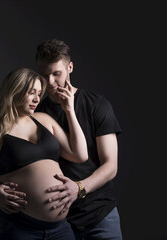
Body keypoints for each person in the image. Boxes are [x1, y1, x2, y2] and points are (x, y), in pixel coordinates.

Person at [0, 67, 88, 239]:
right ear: (14, 91)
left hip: (60, 229)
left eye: (39, 93)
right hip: (18, 228)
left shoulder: (44, 120)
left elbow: (80, 154)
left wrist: (69, 110)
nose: (37, 99)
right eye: (31, 93)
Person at [34, 39, 123, 240]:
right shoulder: (37, 112)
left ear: (70, 68)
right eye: (43, 75)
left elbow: (111, 166)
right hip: (57, 221)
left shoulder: (96, 104)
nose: (49, 82)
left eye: (56, 74)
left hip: (99, 215)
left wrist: (79, 188)